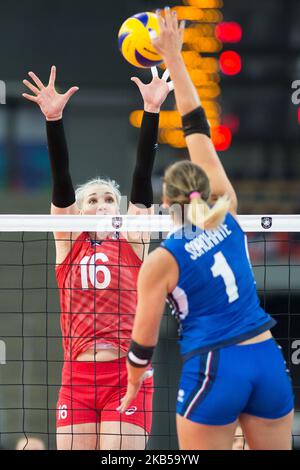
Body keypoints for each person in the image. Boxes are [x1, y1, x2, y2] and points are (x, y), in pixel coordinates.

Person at [118, 7, 294, 450]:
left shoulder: (163, 258)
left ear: (165, 202)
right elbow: (198, 127)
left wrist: (134, 384)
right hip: (266, 358)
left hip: (216, 365)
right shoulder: (228, 213)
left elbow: (142, 344)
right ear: (204, 191)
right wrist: (175, 59)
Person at [22, 65, 173, 450]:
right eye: (94, 199)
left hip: (127, 376)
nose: (103, 203)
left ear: (120, 208)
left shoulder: (134, 238)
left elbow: (142, 179)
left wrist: (152, 111)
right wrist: (53, 120)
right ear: (80, 210)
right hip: (77, 380)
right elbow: (61, 184)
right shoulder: (68, 241)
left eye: (109, 198)